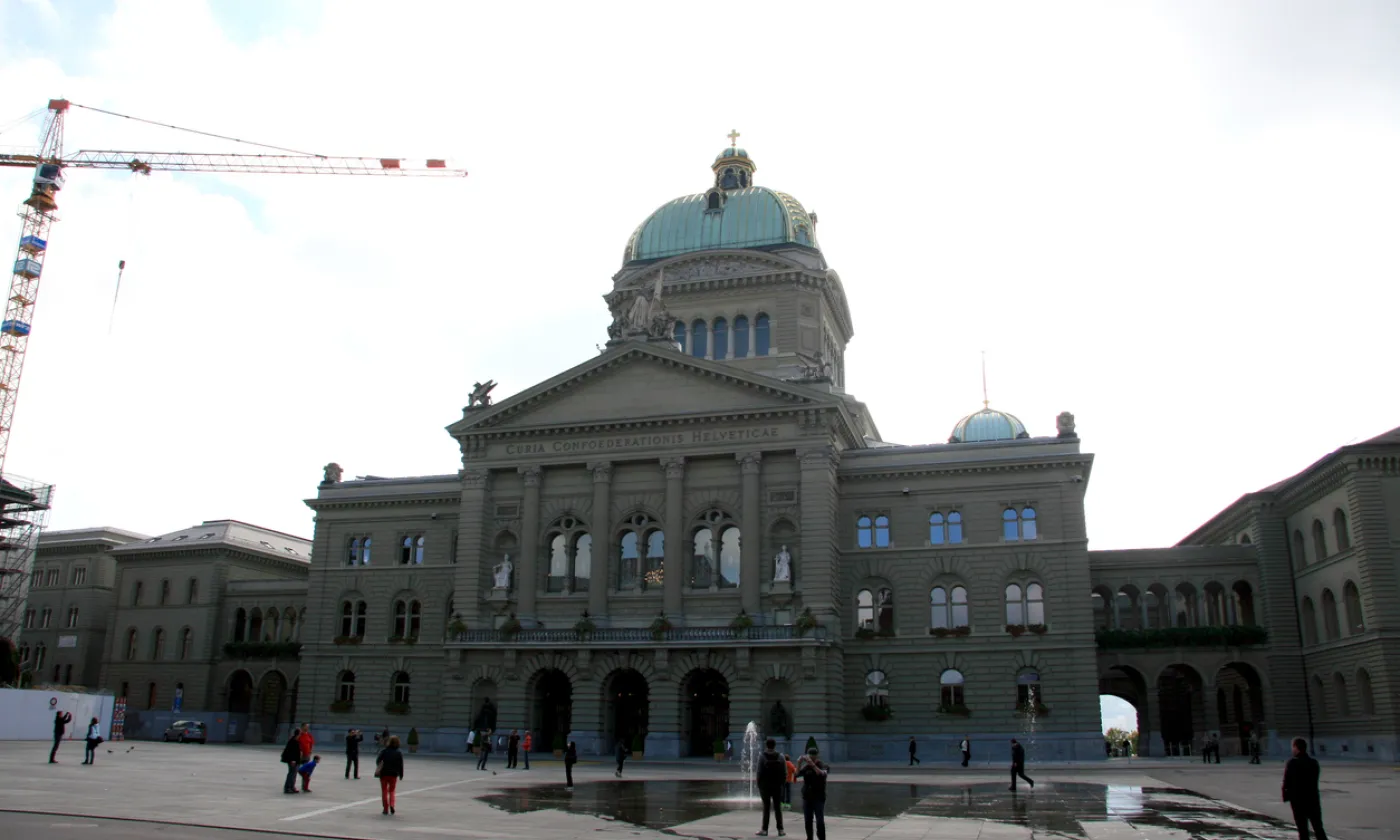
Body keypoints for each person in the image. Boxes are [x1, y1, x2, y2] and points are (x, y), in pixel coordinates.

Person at [1283, 737, 1327, 840]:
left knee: (1302, 830)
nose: (1292, 750)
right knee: (1318, 828)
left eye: (1293, 747)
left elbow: (1287, 782)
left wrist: (1286, 796)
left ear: (1296, 748)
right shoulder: (1313, 763)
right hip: (1313, 799)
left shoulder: (1292, 763)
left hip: (1298, 801)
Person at [755, 737, 787, 836]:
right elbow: (784, 772)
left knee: (766, 808)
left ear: (766, 745)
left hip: (765, 786)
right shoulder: (781, 756)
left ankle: (764, 830)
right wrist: (782, 784)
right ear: (775, 745)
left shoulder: (762, 756)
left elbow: (759, 772)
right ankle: (780, 830)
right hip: (777, 786)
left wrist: (759, 784)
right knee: (778, 808)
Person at [796, 747, 828, 840]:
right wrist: (799, 763)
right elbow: (796, 774)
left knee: (819, 820)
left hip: (819, 796)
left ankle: (821, 837)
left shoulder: (822, 765)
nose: (811, 758)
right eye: (810, 757)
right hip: (807, 797)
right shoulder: (806, 767)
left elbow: (821, 773)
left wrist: (812, 764)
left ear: (816, 756)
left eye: (813, 756)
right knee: (807, 820)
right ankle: (809, 837)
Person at [376, 734, 405, 816]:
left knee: (384, 791)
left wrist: (381, 766)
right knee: (392, 791)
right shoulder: (399, 753)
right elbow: (401, 765)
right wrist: (401, 774)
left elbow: (378, 761)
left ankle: (385, 808)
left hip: (384, 773)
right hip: (393, 774)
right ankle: (392, 804)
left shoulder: (384, 751)